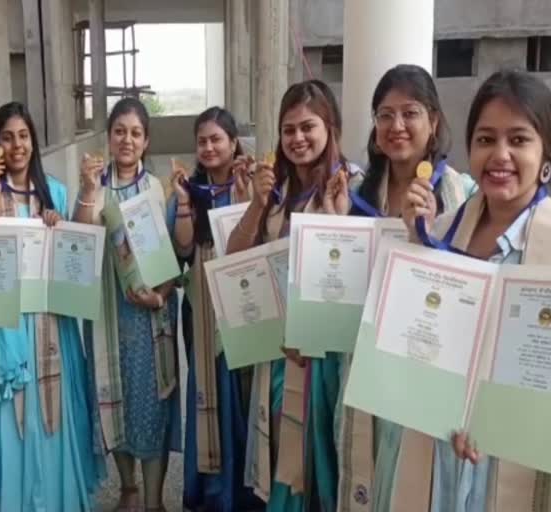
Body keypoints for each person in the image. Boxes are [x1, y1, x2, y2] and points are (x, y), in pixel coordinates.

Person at [329, 65, 476, 512]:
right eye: (384, 115)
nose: (396, 126)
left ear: (433, 122)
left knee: (411, 480)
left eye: (409, 113)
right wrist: (334, 224)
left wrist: (431, 235)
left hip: (422, 360)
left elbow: (468, 291)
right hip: (360, 353)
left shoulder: (461, 195)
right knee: (360, 465)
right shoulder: (356, 192)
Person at [403, 70, 551, 512]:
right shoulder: (442, 235)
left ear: (546, 156)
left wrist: (491, 418)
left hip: (518, 460)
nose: (500, 155)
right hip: (439, 452)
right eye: (486, 139)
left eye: (519, 139)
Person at [225, 79, 359, 511]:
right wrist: (257, 205)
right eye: (288, 129)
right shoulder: (277, 195)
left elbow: (355, 270)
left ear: (330, 127)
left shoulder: (350, 186)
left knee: (325, 456)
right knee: (285, 452)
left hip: (327, 354)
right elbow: (234, 261)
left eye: (308, 126)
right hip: (280, 351)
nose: (298, 138)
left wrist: (341, 219)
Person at [0, 101, 105, 510]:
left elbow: (72, 258)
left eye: (23, 136)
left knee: (54, 415)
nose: (16, 146)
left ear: (33, 141)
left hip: (50, 323)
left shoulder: (55, 191)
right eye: (6, 137)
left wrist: (57, 224)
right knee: (13, 416)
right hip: (8, 322)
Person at [74, 97, 181, 512]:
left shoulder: (158, 188)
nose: (127, 140)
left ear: (146, 140)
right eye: (120, 131)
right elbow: (78, 242)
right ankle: (128, 488)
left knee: (150, 404)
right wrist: (86, 192)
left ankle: (154, 501)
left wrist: (162, 295)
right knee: (112, 401)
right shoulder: (94, 185)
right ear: (108, 136)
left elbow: (172, 253)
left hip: (148, 314)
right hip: (107, 314)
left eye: (136, 133)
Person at [168, 106, 261, 512]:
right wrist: (185, 202)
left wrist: (249, 196)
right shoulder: (191, 188)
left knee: (242, 395)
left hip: (244, 305)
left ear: (233, 142)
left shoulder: (253, 184)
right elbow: (184, 248)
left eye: (216, 139)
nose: (208, 147)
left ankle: (245, 486)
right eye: (202, 141)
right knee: (208, 391)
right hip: (203, 308)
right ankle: (211, 490)